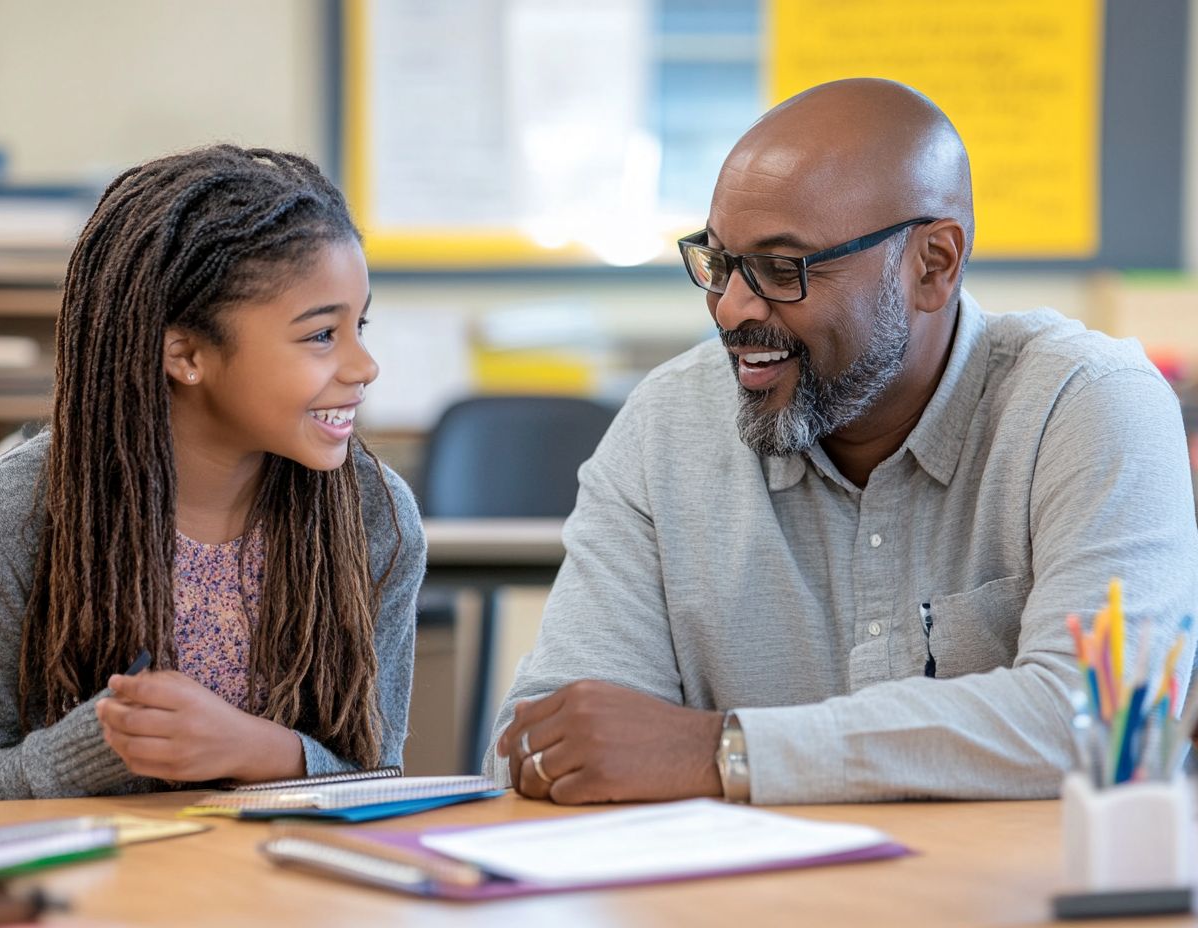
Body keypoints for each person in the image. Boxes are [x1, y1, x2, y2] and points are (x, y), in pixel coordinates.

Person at [485, 78, 1198, 805]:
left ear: (934, 265)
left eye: (781, 267)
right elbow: (554, 738)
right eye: (719, 261)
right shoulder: (667, 423)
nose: (731, 309)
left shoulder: (1087, 404)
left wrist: (727, 752)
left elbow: (1104, 724)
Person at [0, 145, 426, 800]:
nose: (365, 365)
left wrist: (253, 747)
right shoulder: (3, 522)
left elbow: (378, 776)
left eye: (361, 324)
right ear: (185, 353)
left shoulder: (374, 515)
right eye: (323, 335)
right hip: (92, 893)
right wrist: (97, 747)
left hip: (288, 892)